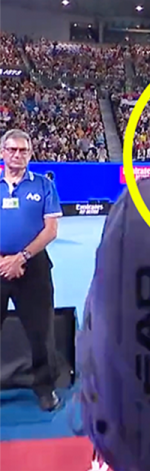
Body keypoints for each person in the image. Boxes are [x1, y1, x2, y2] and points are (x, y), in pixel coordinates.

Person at [0, 129, 63, 412]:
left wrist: (21, 257)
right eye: (12, 150)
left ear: (30, 153)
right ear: (2, 153)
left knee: (41, 332)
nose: (18, 155)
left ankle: (45, 388)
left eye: (23, 150)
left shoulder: (43, 185)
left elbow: (50, 230)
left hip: (33, 267)